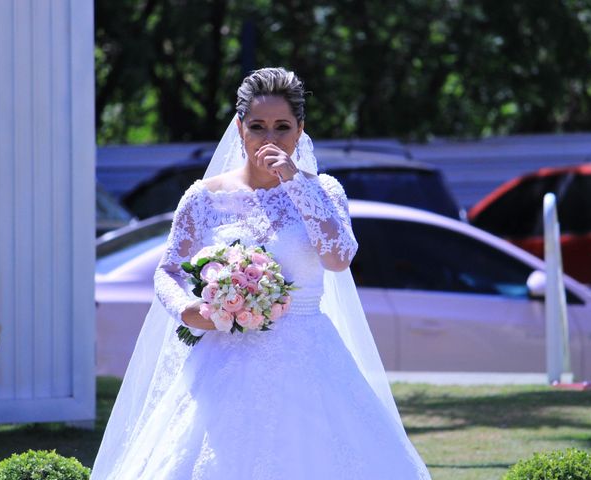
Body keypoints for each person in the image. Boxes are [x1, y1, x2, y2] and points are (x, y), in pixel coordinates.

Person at [91, 67, 430, 479]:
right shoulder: (204, 197)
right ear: (239, 128)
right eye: (258, 127)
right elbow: (168, 271)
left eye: (283, 127)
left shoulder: (324, 191)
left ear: (300, 130)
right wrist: (189, 310)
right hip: (224, 357)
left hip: (309, 358)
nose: (270, 139)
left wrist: (293, 180)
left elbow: (339, 258)